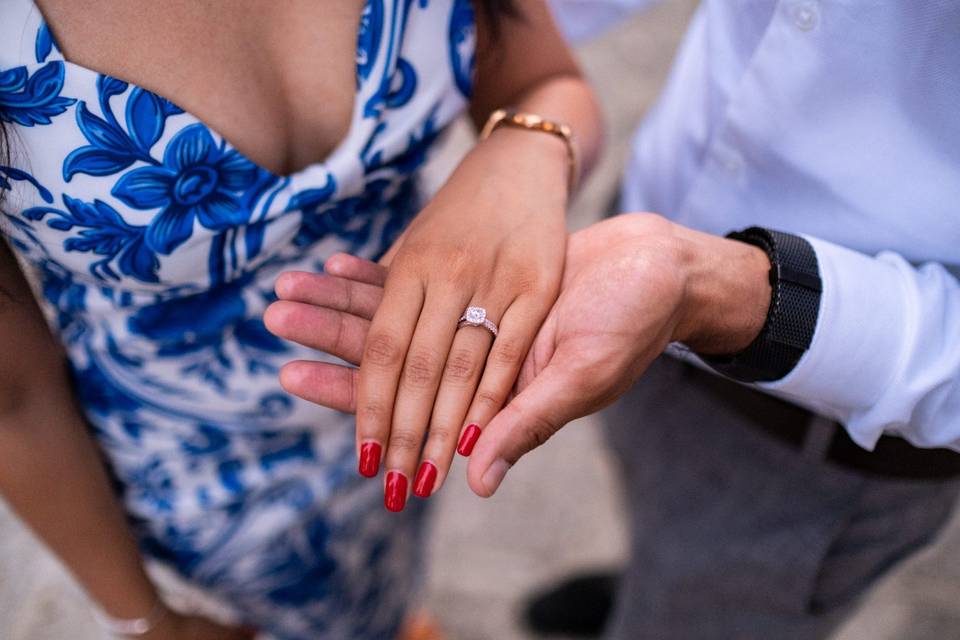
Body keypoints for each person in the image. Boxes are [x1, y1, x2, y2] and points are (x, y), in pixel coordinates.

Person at [267, 0, 960, 638]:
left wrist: (715, 291)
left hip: (834, 413)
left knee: (719, 601)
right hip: (627, 250)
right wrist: (526, 120)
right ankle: (645, 577)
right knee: (651, 497)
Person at [0, 0, 601, 638]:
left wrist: (525, 150)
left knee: (391, 598)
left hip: (416, 403)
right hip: (211, 493)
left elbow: (546, 82)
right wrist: (145, 619)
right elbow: (13, 399)